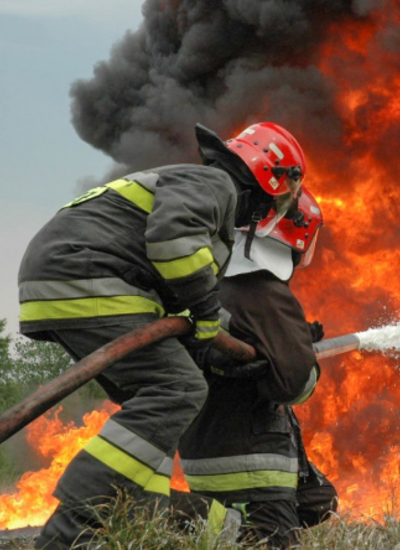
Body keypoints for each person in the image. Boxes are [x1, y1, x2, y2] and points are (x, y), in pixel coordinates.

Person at [18, 121, 308, 549]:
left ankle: (131, 514)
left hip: (66, 280)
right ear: (270, 177)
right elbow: (173, 244)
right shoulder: (216, 185)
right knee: (178, 389)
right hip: (88, 275)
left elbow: (176, 293)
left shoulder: (197, 188)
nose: (271, 210)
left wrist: (221, 345)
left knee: (154, 407)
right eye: (281, 198)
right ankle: (72, 527)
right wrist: (207, 316)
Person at [175, 187, 338, 548]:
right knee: (270, 540)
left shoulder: (212, 284)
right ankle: (212, 523)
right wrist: (304, 359)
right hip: (251, 461)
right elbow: (294, 384)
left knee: (319, 501)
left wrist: (290, 340)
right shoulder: (263, 289)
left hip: (204, 450)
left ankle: (224, 525)